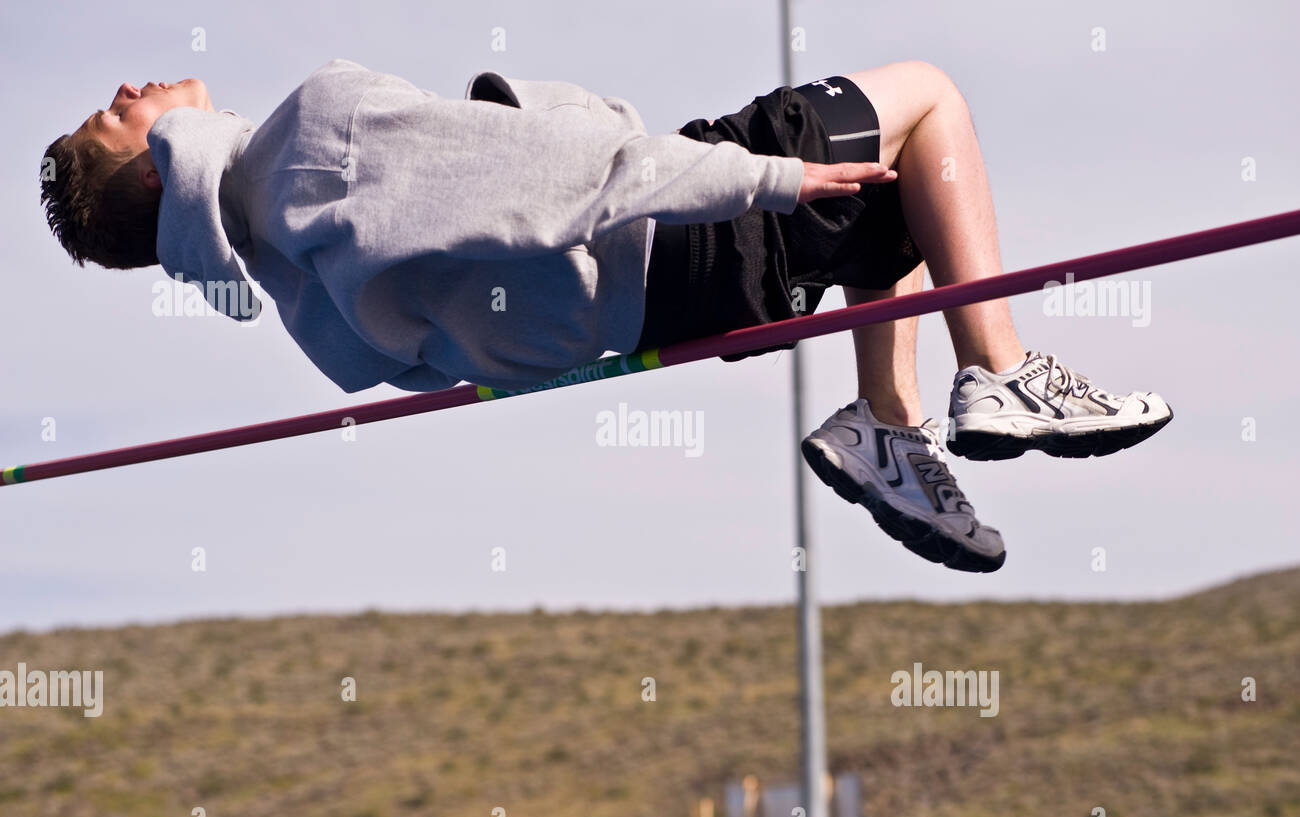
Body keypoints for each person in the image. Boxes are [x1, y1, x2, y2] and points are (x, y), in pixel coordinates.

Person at [39, 60, 1171, 573]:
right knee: (928, 104)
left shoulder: (294, 281)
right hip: (668, 228)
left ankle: (885, 424)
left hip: (651, 304)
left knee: (900, 219)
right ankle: (1002, 367)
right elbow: (554, 170)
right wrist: (759, 180)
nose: (134, 88)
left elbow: (446, 351)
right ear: (154, 170)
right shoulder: (314, 140)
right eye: (113, 113)